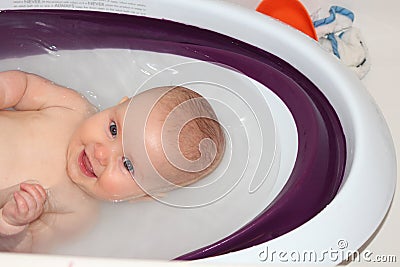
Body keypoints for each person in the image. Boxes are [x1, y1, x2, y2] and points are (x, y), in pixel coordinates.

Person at [0, 70, 225, 252]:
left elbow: (24, 250)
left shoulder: (77, 214)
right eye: (113, 129)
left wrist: (13, 224)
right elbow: (25, 87)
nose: (101, 154)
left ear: (144, 196)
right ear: (119, 104)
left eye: (127, 165)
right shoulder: (71, 107)